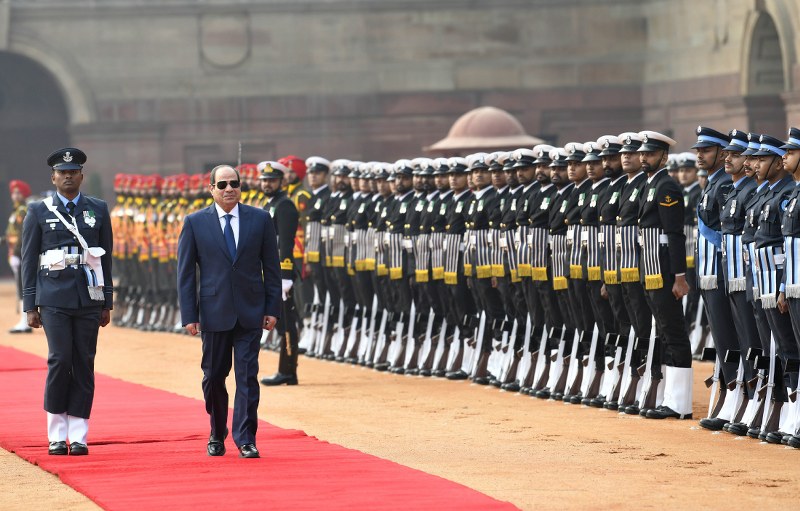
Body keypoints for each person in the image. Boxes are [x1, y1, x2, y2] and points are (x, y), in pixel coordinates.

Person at [177, 164, 281, 459]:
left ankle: (246, 438)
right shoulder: (195, 222)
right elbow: (186, 273)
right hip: (213, 312)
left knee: (247, 376)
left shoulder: (260, 219)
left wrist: (272, 307)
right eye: (222, 185)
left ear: (241, 187)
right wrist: (189, 314)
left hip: (251, 311)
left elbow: (271, 267)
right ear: (211, 189)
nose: (229, 189)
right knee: (213, 377)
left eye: (234, 183)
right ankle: (216, 430)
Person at [20, 147, 113, 456]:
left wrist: (107, 301)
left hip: (89, 296)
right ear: (53, 177)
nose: (68, 176)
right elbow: (29, 259)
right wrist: (30, 305)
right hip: (53, 296)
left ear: (81, 176)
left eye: (73, 172)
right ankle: (57, 434)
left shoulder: (97, 209)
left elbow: (105, 258)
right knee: (60, 360)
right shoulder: (38, 210)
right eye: (62, 172)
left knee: (84, 362)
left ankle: (79, 434)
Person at [257, 161, 301, 386]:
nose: (267, 184)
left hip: (280, 274)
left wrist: (285, 276)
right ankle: (286, 370)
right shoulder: (269, 204)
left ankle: (288, 370)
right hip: (269, 272)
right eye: (264, 180)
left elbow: (285, 243)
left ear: (281, 181)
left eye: (272, 180)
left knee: (286, 323)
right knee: (280, 322)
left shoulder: (285, 205)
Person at [6, 179, 32, 333]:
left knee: (23, 288)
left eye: (18, 192)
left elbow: (23, 235)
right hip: (15, 253)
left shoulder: (23, 211)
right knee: (20, 287)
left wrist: (16, 254)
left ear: (24, 194)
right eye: (13, 193)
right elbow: (11, 234)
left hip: (21, 253)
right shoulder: (16, 211)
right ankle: (24, 320)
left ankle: (25, 322)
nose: (15, 195)